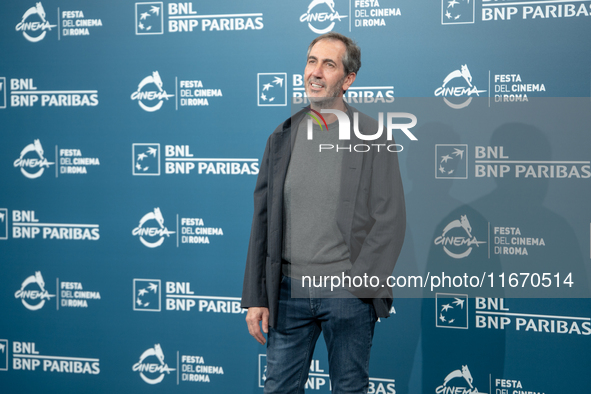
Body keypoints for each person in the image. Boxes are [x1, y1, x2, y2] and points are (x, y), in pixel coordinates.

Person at [242, 32, 406, 393]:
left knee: (349, 388)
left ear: (348, 79)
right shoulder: (281, 136)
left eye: (329, 64)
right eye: (312, 61)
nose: (315, 72)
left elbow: (390, 220)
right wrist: (257, 296)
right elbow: (263, 221)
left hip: (346, 295)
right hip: (287, 293)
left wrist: (358, 285)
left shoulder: (373, 137)